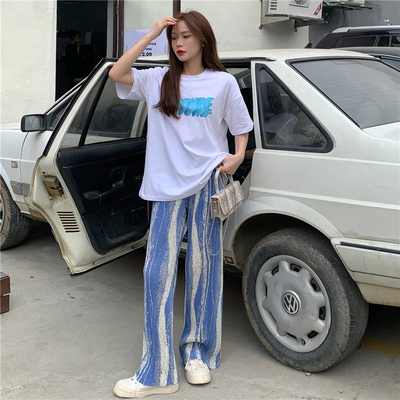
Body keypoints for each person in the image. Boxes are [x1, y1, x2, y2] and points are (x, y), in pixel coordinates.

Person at [108, 10, 253, 398]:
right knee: (156, 272)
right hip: (165, 187)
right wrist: (153, 33)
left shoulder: (222, 82)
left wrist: (237, 156)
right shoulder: (158, 79)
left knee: (205, 269)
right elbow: (117, 73)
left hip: (208, 182)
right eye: (175, 38)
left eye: (186, 36)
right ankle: (157, 371)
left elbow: (241, 126)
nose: (179, 43)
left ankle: (197, 353)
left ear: (203, 39)